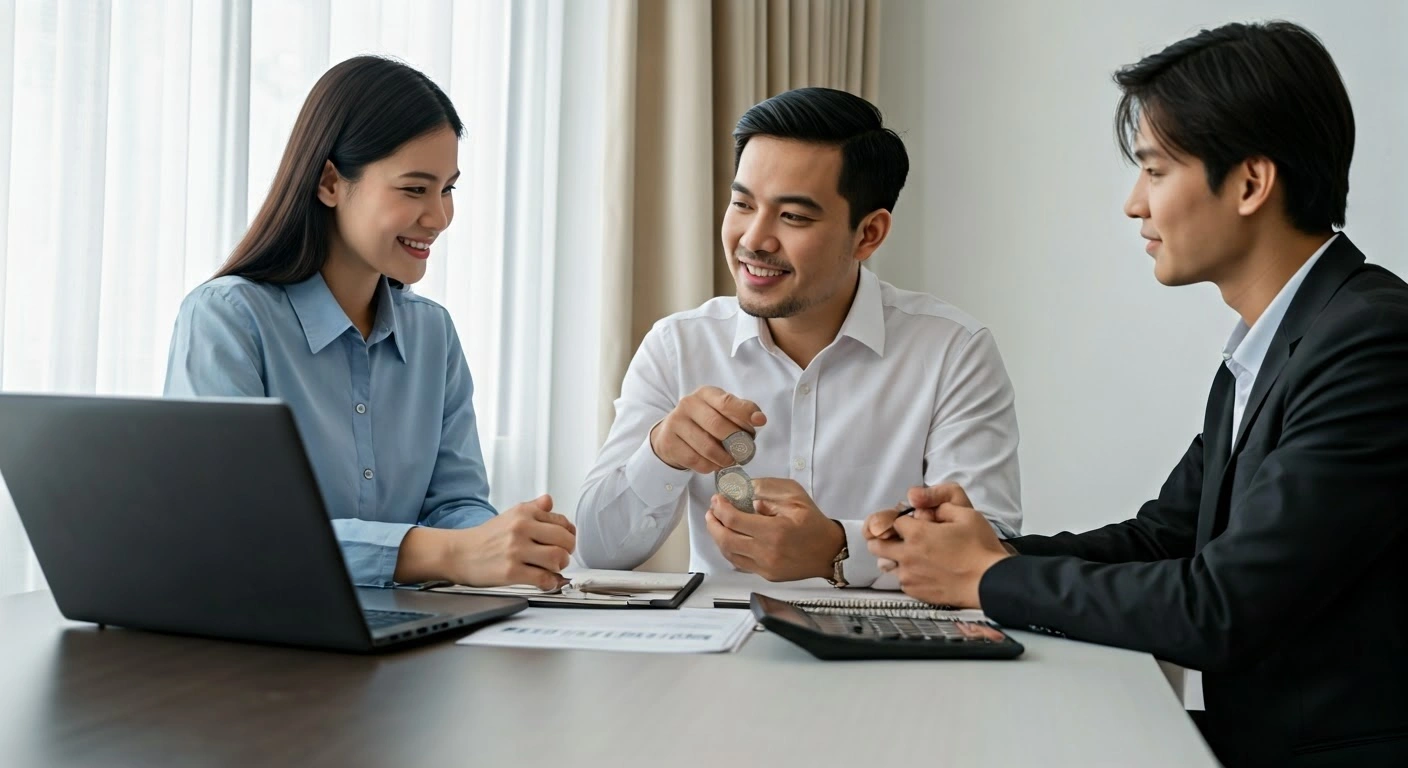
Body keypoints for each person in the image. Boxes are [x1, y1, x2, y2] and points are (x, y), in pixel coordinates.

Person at [865, 21, 1408, 767]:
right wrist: (984, 552)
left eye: (1154, 171)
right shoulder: (1275, 344)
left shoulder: (1372, 341)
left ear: (1250, 183)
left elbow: (1220, 607)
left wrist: (990, 580)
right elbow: (1163, 539)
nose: (1133, 204)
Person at [576, 87, 1022, 587]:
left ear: (869, 234)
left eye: (793, 217)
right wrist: (660, 454)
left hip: (891, 654)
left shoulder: (953, 352)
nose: (753, 240)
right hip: (720, 653)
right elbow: (597, 554)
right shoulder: (677, 345)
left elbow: (989, 548)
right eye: (742, 203)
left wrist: (837, 550)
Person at [165, 56, 575, 591]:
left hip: (409, 634)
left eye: (448, 188)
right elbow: (235, 530)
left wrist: (505, 544)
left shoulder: (433, 334)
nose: (439, 217)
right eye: (414, 188)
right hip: (262, 642)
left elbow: (455, 502)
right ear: (331, 182)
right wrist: (449, 552)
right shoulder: (228, 319)